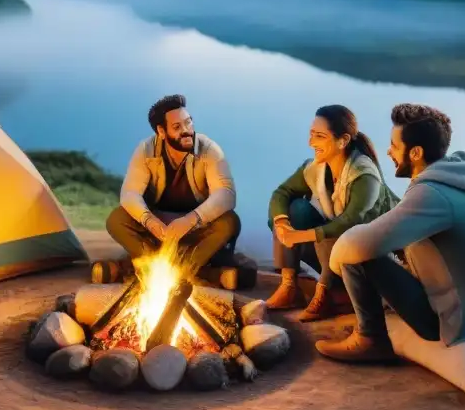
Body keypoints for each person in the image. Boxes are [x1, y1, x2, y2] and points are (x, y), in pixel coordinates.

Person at [318, 103, 465, 363]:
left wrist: (337, 262)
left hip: (463, 323)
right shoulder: (463, 178)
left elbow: (355, 247)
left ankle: (370, 340)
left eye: (394, 145)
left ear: (415, 153)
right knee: (380, 242)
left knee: (357, 254)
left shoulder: (433, 194)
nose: (388, 151)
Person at [265, 105, 396, 322]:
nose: (311, 142)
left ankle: (327, 293)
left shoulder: (365, 175)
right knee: (295, 209)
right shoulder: (316, 167)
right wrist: (282, 224)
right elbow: (282, 193)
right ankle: (289, 287)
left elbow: (350, 222)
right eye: (311, 134)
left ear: (343, 141)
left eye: (319, 136)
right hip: (337, 252)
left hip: (371, 256)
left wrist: (301, 236)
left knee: (329, 235)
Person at [103, 94, 241, 280]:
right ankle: (151, 263)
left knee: (229, 222)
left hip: (196, 229)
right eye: (177, 127)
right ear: (161, 131)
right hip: (158, 230)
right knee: (116, 219)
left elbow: (226, 194)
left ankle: (179, 272)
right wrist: (150, 222)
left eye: (189, 122)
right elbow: (130, 194)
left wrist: (190, 220)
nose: (186, 131)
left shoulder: (208, 149)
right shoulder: (146, 150)